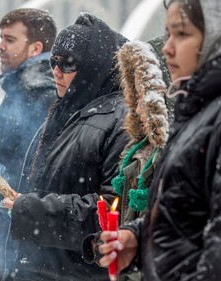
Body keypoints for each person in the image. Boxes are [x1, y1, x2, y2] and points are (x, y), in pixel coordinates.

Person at [0, 12, 129, 280]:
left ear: (93, 67)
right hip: (36, 268)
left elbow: (113, 209)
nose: (55, 71)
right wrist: (3, 218)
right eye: (53, 61)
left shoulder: (122, 120)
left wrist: (27, 212)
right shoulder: (63, 110)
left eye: (67, 63)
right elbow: (36, 189)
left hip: (74, 273)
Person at [97, 0, 221, 280]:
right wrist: (140, 239)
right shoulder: (197, 114)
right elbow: (186, 219)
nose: (168, 47)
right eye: (168, 33)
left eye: (183, 34)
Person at [81, 39, 171, 281]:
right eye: (137, 96)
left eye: (146, 98)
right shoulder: (137, 154)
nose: (139, 108)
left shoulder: (171, 159)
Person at [0, 8, 57, 279]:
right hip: (5, 230)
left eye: (10, 40)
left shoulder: (42, 94)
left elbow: (35, 173)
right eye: (1, 38)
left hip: (22, 240)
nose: (0, 47)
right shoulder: (18, 87)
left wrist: (5, 212)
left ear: (35, 47)